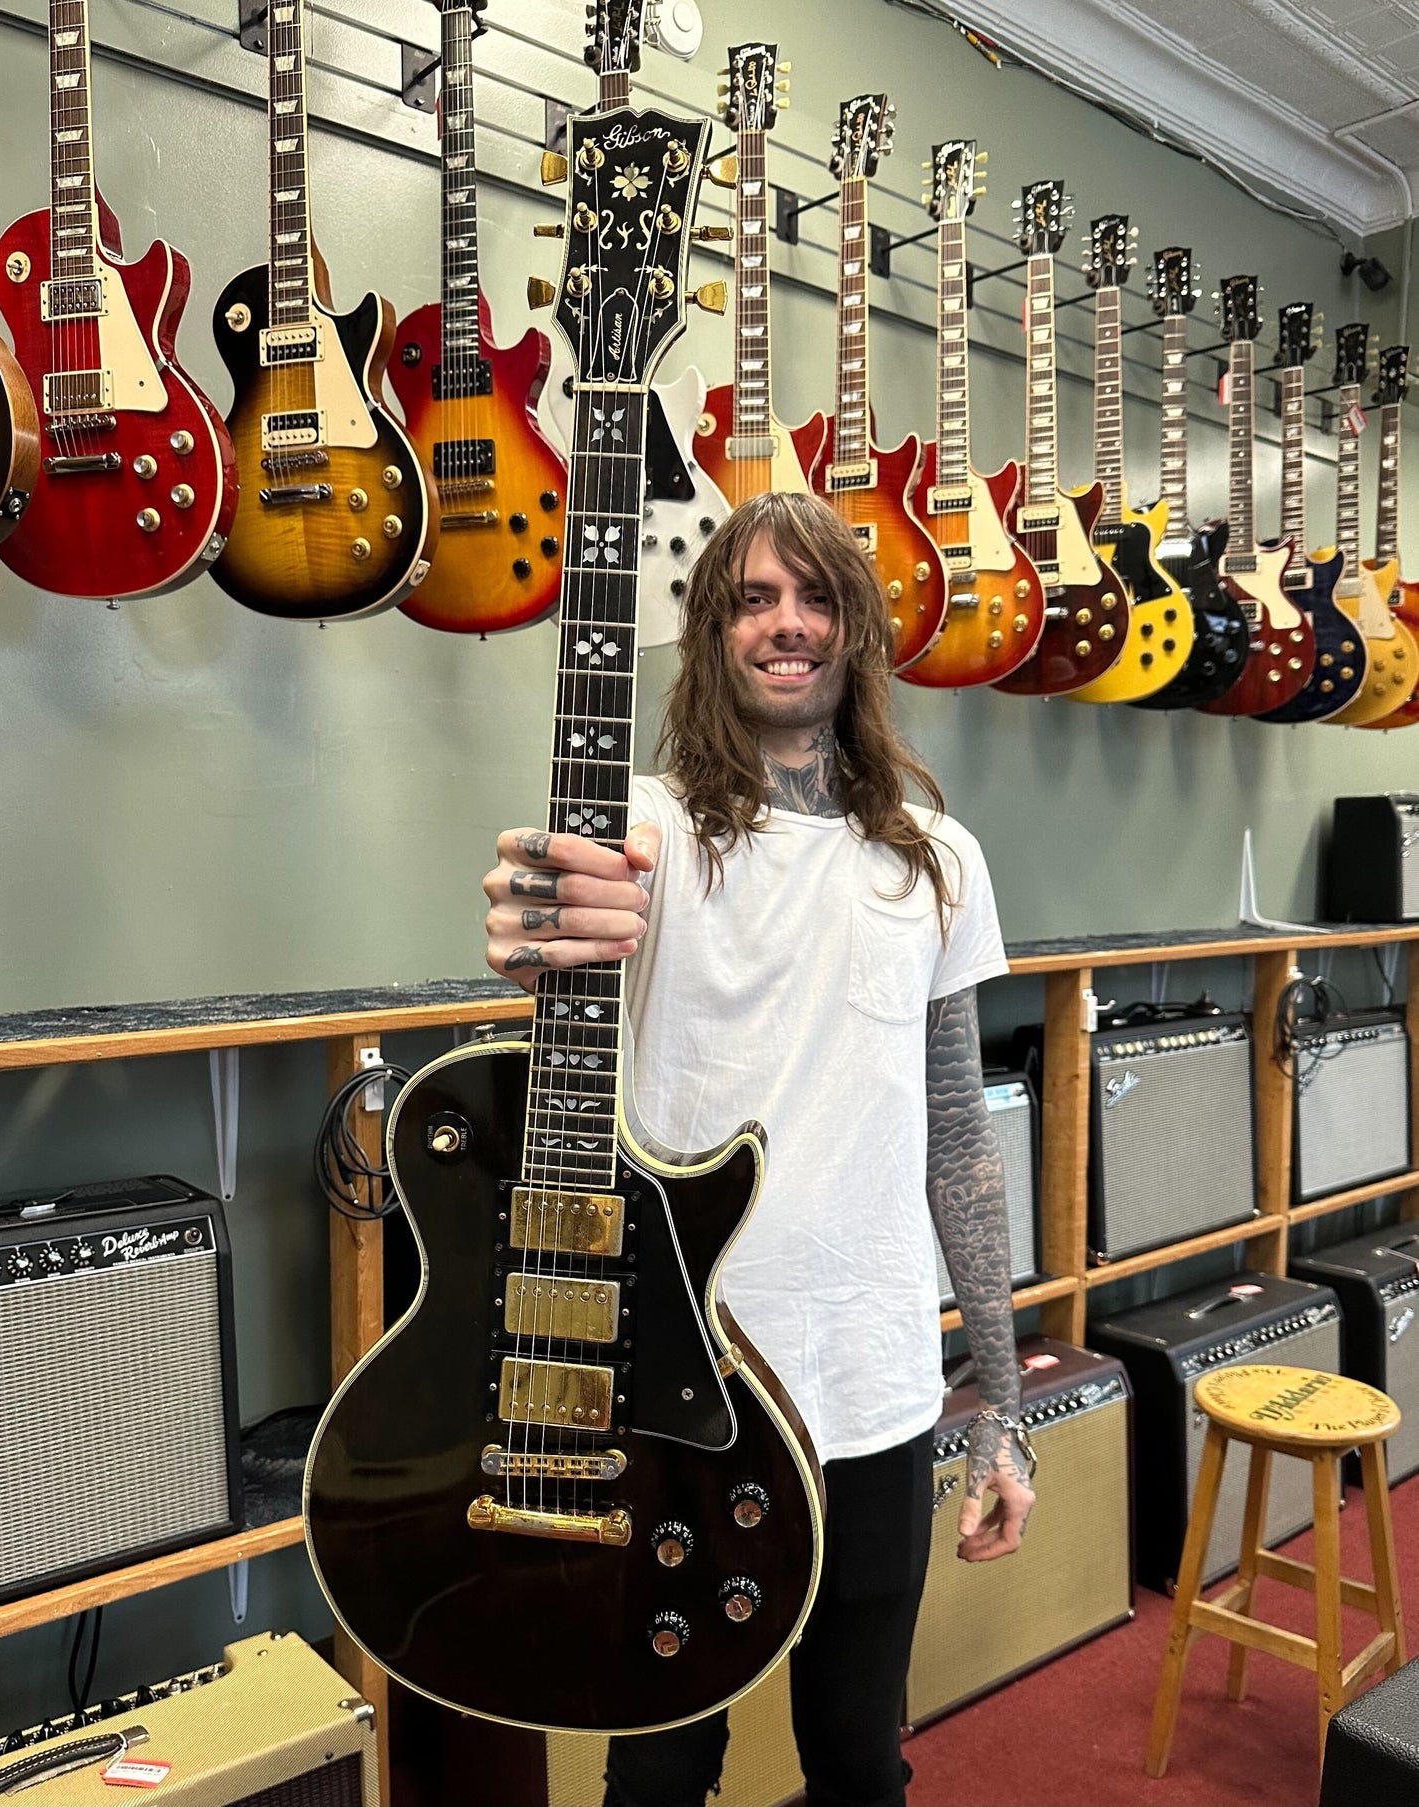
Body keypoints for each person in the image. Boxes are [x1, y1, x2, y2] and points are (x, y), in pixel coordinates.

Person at [483, 492, 1036, 1807]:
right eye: (751, 599)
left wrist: (1002, 1409)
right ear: (711, 631)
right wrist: (521, 923)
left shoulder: (937, 861)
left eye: (816, 597)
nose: (787, 624)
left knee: (858, 1755)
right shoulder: (649, 832)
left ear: (857, 630)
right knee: (663, 1761)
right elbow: (543, 927)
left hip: (877, 1378)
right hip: (689, 1381)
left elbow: (958, 1135)